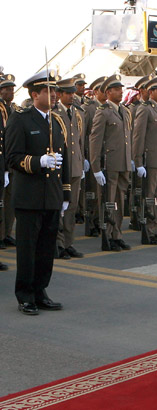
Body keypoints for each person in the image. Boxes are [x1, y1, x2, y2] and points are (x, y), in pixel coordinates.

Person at [5, 70, 71, 315]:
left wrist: (65, 194)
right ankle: (25, 296)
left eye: (55, 91)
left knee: (46, 249)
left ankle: (41, 291)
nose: (54, 95)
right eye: (49, 91)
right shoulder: (20, 119)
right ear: (35, 95)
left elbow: (65, 160)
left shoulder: (56, 121)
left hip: (51, 196)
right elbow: (12, 157)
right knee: (27, 249)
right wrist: (37, 161)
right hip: (29, 197)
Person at [89, 74, 134, 251]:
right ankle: (107, 236)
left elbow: (126, 138)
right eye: (116, 90)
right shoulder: (103, 112)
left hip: (122, 164)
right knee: (108, 201)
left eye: (121, 89)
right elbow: (95, 140)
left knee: (119, 201)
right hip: (109, 164)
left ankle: (117, 234)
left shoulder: (124, 111)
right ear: (108, 92)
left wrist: (130, 158)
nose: (121, 92)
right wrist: (96, 167)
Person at [132, 76, 157, 245]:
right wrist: (138, 161)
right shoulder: (145, 109)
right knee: (149, 197)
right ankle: (148, 231)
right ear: (150, 92)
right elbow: (138, 137)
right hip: (151, 160)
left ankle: (156, 228)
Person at [53, 78, 86, 259]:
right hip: (61, 168)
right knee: (59, 207)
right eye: (68, 93)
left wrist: (82, 162)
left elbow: (79, 141)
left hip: (75, 166)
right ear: (59, 95)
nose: (72, 96)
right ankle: (58, 244)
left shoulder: (77, 113)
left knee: (72, 207)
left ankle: (68, 242)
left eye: (73, 93)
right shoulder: (54, 113)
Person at [81, 76, 108, 237]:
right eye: (103, 91)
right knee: (92, 192)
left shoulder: (108, 108)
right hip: (93, 155)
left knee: (103, 192)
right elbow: (85, 134)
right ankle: (90, 222)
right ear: (96, 92)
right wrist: (86, 156)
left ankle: (99, 219)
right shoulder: (89, 108)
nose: (105, 94)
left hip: (106, 156)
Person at [0, 72, 18, 256]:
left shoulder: (12, 108)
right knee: (1, 201)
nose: (11, 92)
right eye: (7, 89)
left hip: (12, 161)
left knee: (10, 200)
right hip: (2, 161)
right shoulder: (1, 108)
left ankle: (6, 233)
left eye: (12, 89)